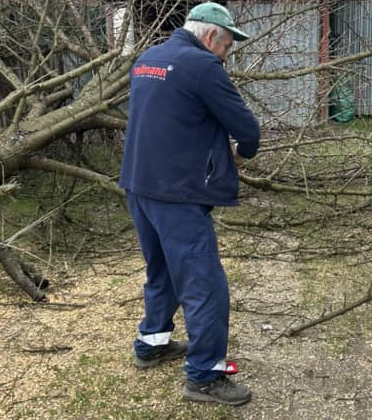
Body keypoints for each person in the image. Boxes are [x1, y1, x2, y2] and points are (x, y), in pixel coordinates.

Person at [118, 2, 260, 406]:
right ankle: (204, 375)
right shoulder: (202, 66)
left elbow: (169, 118)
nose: (227, 54)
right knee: (204, 284)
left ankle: (151, 343)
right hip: (177, 193)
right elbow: (246, 127)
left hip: (138, 185)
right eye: (228, 45)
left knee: (161, 267)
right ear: (212, 36)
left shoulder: (148, 59)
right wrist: (244, 151)